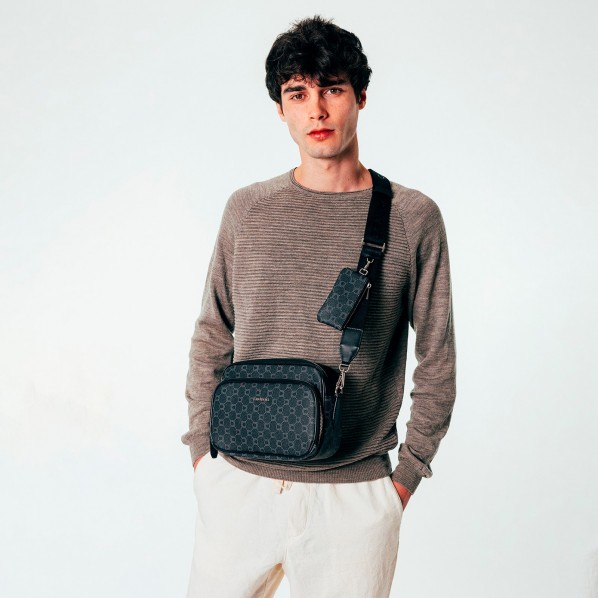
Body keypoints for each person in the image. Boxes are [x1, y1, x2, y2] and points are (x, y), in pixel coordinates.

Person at [182, 15, 456, 598]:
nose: (317, 110)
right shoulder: (247, 210)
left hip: (352, 498)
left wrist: (404, 479)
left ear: (361, 96)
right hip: (239, 485)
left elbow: (438, 360)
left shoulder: (412, 218)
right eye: (297, 94)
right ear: (280, 109)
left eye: (332, 89)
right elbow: (213, 334)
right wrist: (204, 458)